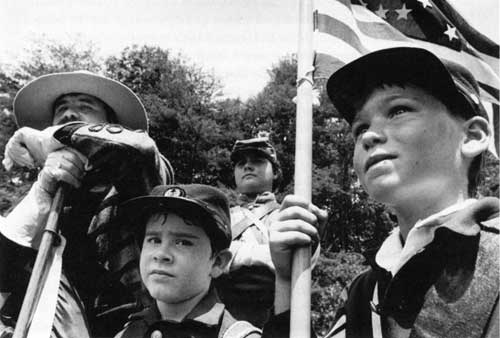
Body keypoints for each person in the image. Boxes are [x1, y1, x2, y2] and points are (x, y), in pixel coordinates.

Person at [262, 47, 499, 338]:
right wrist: (289, 282)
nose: (369, 135)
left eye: (398, 110)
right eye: (360, 128)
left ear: (473, 137)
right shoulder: (365, 291)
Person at [0, 71, 174, 337]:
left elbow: (138, 148)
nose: (70, 114)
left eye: (85, 106)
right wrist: (44, 189)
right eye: (62, 109)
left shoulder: (139, 176)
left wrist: (49, 137)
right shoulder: (44, 192)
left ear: (110, 122)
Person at [114, 184, 261, 338]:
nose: (161, 254)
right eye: (154, 240)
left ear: (218, 262)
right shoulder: (127, 333)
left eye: (183, 242)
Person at [215, 135, 282, 327]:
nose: (247, 166)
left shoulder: (286, 214)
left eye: (258, 161)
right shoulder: (219, 216)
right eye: (241, 163)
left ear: (275, 172)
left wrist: (226, 256)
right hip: (221, 322)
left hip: (275, 320)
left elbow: (293, 265)